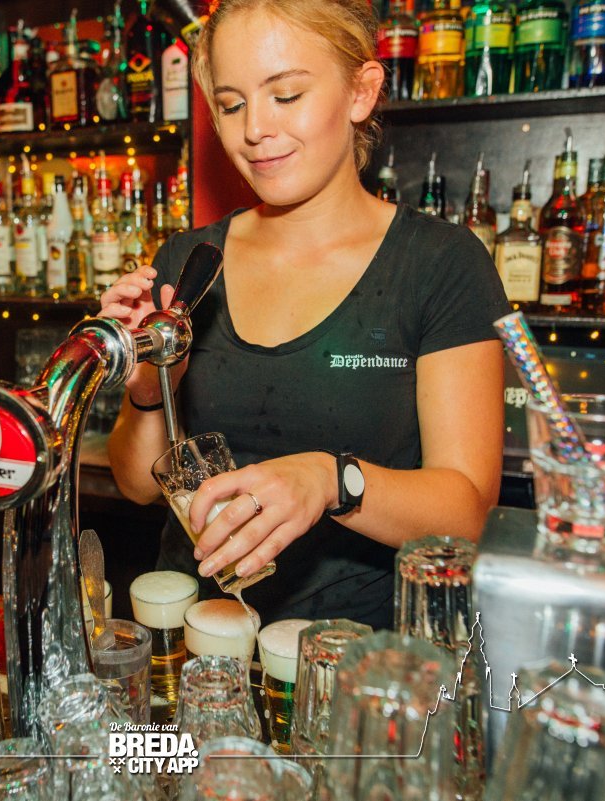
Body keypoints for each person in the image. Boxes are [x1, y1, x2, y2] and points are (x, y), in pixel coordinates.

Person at [99, 0, 510, 629]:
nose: (254, 129)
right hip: (200, 641)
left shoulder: (440, 263)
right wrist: (149, 392)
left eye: (286, 95)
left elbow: (468, 513)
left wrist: (330, 480)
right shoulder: (190, 262)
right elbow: (136, 484)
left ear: (361, 91)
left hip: (356, 651)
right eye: (231, 105)